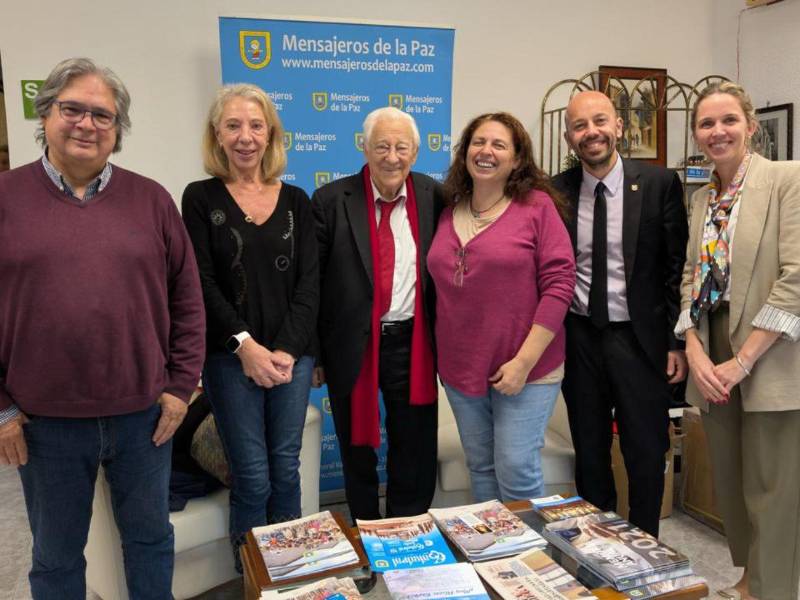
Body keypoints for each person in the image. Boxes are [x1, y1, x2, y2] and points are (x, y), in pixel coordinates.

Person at [0, 57, 205, 599]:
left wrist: (180, 387)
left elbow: (188, 300)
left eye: (102, 115)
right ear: (45, 115)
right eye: (72, 110)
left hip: (144, 417)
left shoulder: (152, 200)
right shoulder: (5, 198)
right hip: (44, 423)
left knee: (150, 540)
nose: (86, 124)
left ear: (118, 129)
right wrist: (2, 410)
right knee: (57, 556)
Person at [182, 84, 318, 567]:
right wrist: (246, 347)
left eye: (256, 126)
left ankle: (291, 573)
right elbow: (199, 282)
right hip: (228, 358)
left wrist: (286, 349)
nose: (246, 137)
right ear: (217, 135)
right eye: (234, 125)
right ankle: (254, 577)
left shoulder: (297, 200)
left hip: (291, 359)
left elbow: (310, 282)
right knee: (253, 474)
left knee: (285, 468)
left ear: (271, 134)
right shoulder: (200, 198)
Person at [677, 81, 800, 600]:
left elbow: (795, 278)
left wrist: (743, 361)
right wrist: (694, 347)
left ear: (750, 125)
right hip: (713, 348)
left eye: (729, 120)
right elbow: (691, 276)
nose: (718, 131)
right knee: (730, 478)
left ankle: (773, 591)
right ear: (697, 134)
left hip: (771, 351)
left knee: (772, 487)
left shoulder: (786, 179)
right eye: (706, 123)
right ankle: (750, 580)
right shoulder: (702, 197)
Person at [553, 91, 688, 537]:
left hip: (640, 339)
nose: (591, 132)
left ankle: (646, 544)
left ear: (619, 127)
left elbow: (676, 269)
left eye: (600, 121)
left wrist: (675, 342)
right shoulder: (555, 191)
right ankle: (598, 545)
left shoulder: (659, 183)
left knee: (645, 451)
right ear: (569, 137)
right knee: (590, 451)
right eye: (579, 125)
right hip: (579, 337)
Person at [427, 112, 575, 502]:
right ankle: (493, 543)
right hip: (461, 369)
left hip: (528, 369)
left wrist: (523, 363)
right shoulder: (448, 211)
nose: (486, 151)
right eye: (478, 142)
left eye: (499, 145)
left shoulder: (537, 208)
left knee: (517, 470)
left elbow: (560, 284)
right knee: (480, 466)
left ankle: (529, 544)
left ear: (517, 158)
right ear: (465, 152)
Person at [312, 106, 443, 521]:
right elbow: (311, 284)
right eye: (382, 146)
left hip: (413, 343)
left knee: (414, 445)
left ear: (415, 153)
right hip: (352, 345)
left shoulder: (434, 196)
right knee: (356, 447)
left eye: (401, 147)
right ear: (364, 148)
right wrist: (315, 354)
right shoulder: (331, 200)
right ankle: (365, 527)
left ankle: (407, 527)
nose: (392, 157)